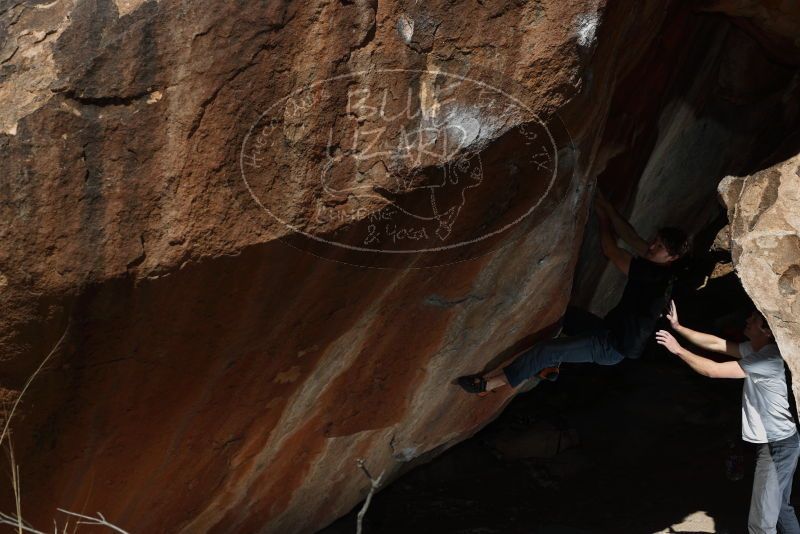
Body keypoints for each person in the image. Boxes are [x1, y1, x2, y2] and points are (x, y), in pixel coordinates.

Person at [457, 190, 691, 394]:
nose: (652, 246)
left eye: (660, 247)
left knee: (545, 350)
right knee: (562, 315)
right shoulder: (658, 263)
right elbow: (632, 237)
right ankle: (550, 368)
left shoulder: (654, 275)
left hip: (611, 347)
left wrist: (603, 217)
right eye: (656, 240)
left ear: (672, 258)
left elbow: (610, 250)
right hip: (607, 329)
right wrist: (607, 206)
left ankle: (487, 386)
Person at [657, 304, 800, 534]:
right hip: (780, 442)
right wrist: (678, 327)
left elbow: (713, 370)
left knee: (762, 522)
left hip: (778, 446)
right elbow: (717, 344)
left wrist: (678, 350)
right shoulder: (756, 350)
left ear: (767, 332)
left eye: (753, 320)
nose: (748, 320)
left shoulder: (767, 360)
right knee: (781, 508)